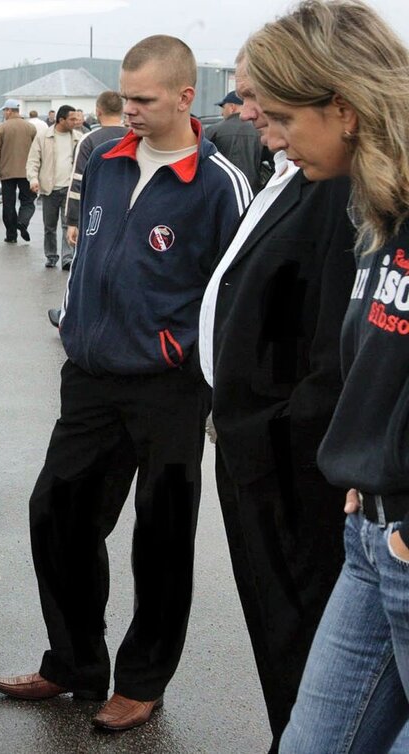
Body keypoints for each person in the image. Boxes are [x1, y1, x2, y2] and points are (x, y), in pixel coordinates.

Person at [0, 34, 250, 732]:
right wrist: (77, 322)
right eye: (124, 97)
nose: (127, 111)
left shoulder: (220, 183)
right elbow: (89, 249)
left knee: (161, 539)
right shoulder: (103, 158)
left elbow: (237, 294)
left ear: (184, 97)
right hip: (92, 376)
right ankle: (73, 664)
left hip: (168, 386)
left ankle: (141, 682)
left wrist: (180, 348)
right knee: (57, 513)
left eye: (143, 100)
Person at [242, 2, 409, 750]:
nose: (270, 137)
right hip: (369, 534)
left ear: (341, 106)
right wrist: (366, 459)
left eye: (280, 116)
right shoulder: (379, 209)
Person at [199, 49, 354, 753]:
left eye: (264, 98)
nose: (251, 112)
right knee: (278, 631)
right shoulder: (295, 174)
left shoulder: (334, 190)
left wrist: (273, 435)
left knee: (303, 638)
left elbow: (335, 348)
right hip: (257, 446)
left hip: (289, 463)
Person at [48, 90, 130, 329]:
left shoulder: (89, 140)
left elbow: (77, 184)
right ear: (122, 110)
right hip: (129, 211)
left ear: (98, 111)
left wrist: (72, 221)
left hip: (96, 215)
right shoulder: (135, 136)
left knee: (83, 267)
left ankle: (69, 315)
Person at [27, 104, 84, 269]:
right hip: (49, 188)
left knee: (69, 224)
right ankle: (51, 256)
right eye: (72, 119)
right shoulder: (43, 136)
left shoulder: (78, 138)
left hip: (70, 189)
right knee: (49, 226)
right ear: (61, 120)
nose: (75, 121)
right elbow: (33, 160)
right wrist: (33, 179)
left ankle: (68, 258)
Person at [0, 98, 39, 245]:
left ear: (9, 111)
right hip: (27, 172)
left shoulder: (2, 128)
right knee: (28, 201)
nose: (4, 113)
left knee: (8, 204)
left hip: (7, 172)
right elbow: (36, 151)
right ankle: (22, 222)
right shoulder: (30, 128)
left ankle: (11, 234)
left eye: (4, 110)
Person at [206, 90, 273, 194]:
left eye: (224, 108)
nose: (222, 113)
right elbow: (275, 162)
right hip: (253, 192)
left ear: (232, 107)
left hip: (219, 191)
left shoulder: (212, 130)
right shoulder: (261, 131)